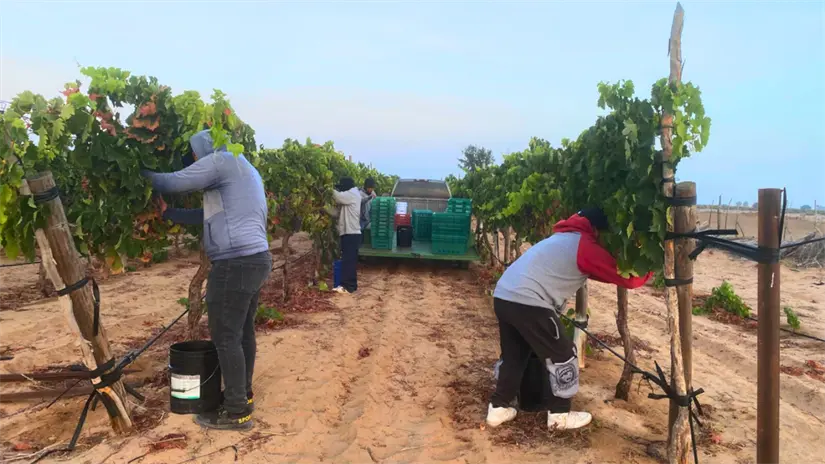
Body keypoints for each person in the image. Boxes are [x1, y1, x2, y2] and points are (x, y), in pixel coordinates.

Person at [142, 130, 271, 431]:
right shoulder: (244, 168)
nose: (195, 160)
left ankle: (236, 411)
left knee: (226, 336)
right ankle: (243, 396)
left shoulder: (221, 160)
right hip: (255, 259)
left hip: (234, 262)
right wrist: (169, 213)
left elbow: (171, 181)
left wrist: (138, 173)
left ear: (204, 149)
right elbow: (208, 215)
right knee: (241, 334)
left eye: (194, 154)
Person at [487, 208, 653, 431]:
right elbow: (631, 280)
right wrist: (652, 264)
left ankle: (498, 408)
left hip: (504, 296)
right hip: (529, 301)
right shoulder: (584, 245)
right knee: (563, 354)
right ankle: (559, 415)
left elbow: (592, 271)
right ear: (596, 229)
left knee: (515, 355)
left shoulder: (563, 238)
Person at [331, 177, 362, 293]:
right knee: (348, 260)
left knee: (349, 261)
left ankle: (349, 287)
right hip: (348, 233)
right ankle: (349, 285)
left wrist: (327, 188)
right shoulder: (348, 198)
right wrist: (322, 209)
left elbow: (337, 197)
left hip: (351, 233)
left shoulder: (352, 194)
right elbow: (335, 213)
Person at [359, 178, 377, 243]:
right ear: (366, 187)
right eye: (370, 188)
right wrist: (370, 197)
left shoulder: (372, 193)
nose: (371, 189)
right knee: (360, 234)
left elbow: (374, 203)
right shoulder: (360, 193)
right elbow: (362, 201)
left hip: (368, 218)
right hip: (361, 219)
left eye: (372, 188)